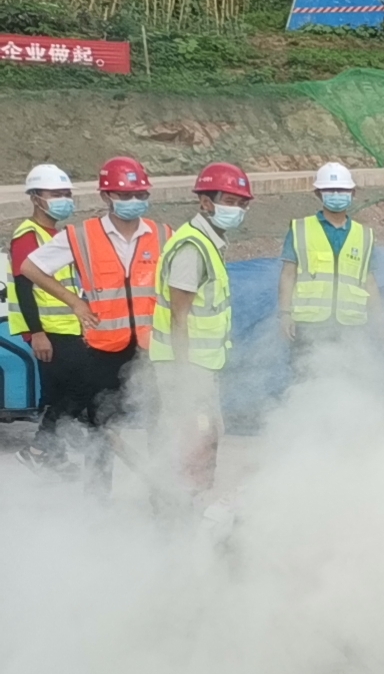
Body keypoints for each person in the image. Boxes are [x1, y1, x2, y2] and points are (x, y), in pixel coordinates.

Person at [16, 157, 172, 493]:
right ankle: (98, 498)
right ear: (106, 196)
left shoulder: (162, 234)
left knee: (157, 421)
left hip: (149, 347)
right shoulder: (82, 236)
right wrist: (73, 302)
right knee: (104, 424)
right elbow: (30, 268)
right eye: (124, 195)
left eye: (139, 194)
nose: (133, 202)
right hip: (104, 348)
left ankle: (163, 495)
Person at [150, 163, 245, 514]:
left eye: (241, 203)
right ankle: (180, 511)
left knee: (205, 436)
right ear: (205, 202)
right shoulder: (192, 248)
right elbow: (179, 315)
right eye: (228, 200)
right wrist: (184, 374)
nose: (236, 209)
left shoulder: (208, 242)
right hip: (186, 366)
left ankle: (193, 502)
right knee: (192, 437)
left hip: (202, 365)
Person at [278, 162, 380, 371]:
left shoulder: (365, 235)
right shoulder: (300, 229)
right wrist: (285, 314)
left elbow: (369, 280)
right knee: (307, 377)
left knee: (350, 380)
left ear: (352, 193)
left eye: (342, 190)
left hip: (351, 326)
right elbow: (288, 275)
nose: (336, 194)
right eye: (330, 190)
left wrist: (380, 320)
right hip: (309, 325)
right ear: (318, 193)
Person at [9, 164, 77, 473]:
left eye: (67, 194)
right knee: (68, 393)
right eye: (56, 194)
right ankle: (39, 449)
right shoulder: (28, 236)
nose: (64, 199)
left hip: (67, 328)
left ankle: (52, 454)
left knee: (63, 393)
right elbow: (24, 286)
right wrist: (36, 332)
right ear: (37, 198)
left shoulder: (59, 234)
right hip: (49, 331)